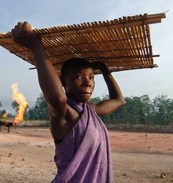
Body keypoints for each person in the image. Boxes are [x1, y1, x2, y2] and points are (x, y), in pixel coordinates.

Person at [11, 22, 125, 183]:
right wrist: (35, 45)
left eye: (91, 77)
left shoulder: (90, 110)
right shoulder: (63, 113)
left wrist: (105, 71)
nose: (88, 83)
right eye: (79, 77)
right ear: (63, 82)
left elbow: (119, 100)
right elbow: (58, 98)